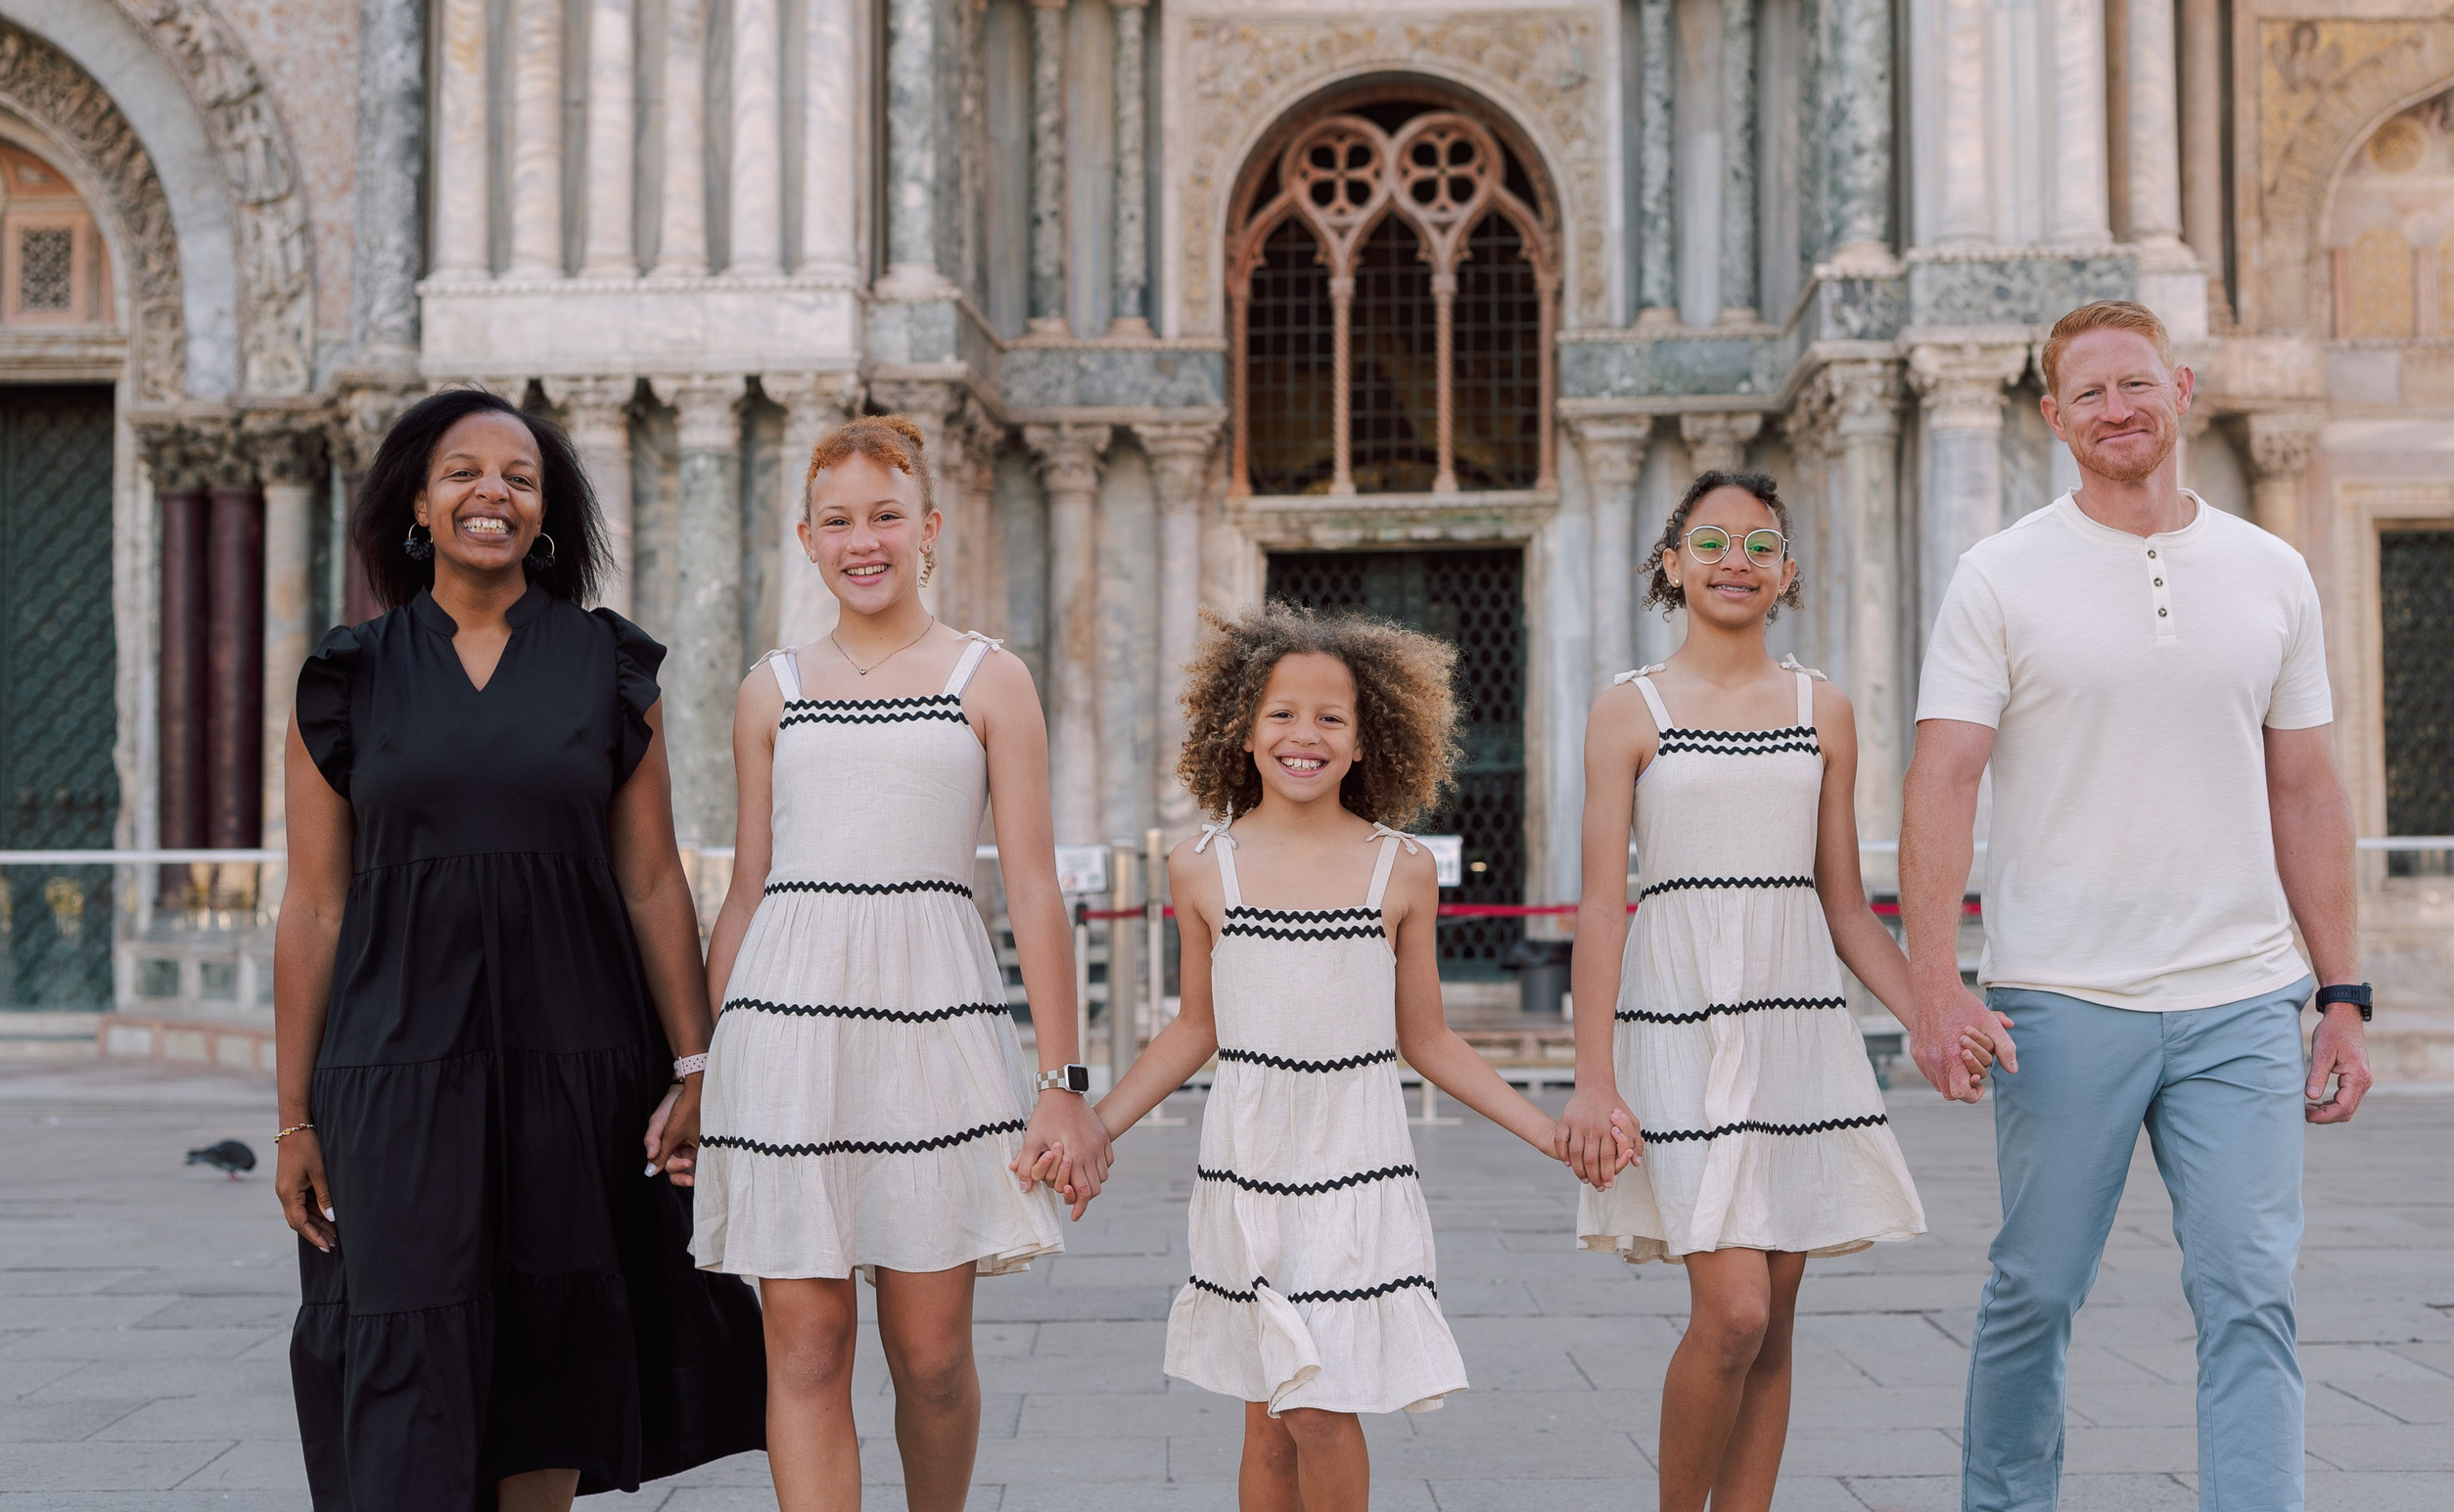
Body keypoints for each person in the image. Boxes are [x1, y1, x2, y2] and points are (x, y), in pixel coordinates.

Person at [1901, 298, 2372, 1512]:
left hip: (2243, 996)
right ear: (2054, 417)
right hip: (2060, 997)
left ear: (2183, 386)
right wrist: (1936, 981)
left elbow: (2307, 788)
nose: (2118, 408)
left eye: (2137, 383)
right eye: (2090, 393)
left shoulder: (2271, 570)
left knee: (2250, 1293)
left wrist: (2342, 991)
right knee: (2036, 1287)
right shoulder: (1999, 573)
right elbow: (1942, 774)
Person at [271, 389, 766, 1511]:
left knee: (552, 1347)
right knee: (404, 1349)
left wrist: (696, 1065)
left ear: (546, 512)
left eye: (520, 475)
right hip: (394, 1065)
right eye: (462, 470)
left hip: (576, 1057)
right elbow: (310, 907)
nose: (492, 490)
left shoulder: (606, 668)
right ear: (417, 499)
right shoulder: (347, 675)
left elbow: (651, 880)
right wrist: (294, 1115)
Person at [690, 415, 1111, 1511]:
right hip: (785, 1038)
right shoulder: (768, 687)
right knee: (810, 1347)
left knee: (929, 1356)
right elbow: (746, 889)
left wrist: (1062, 1085)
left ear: (928, 527)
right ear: (806, 537)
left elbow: (1029, 885)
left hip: (935, 1034)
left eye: (885, 514)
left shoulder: (989, 677)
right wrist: (701, 1064)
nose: (861, 538)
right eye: (837, 519)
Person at [1558, 469, 1978, 1512]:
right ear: (1671, 565)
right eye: (1709, 542)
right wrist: (1590, 1077)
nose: (1733, 560)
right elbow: (1602, 907)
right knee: (1733, 1309)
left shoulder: (1819, 706)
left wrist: (1936, 1007)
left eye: (1756, 544)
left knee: (1777, 1321)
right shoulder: (1627, 710)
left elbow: (1843, 905)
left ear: (1786, 571)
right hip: (1678, 1028)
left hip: (1798, 1031)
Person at [1086, 605, 1567, 1512]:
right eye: (1280, 712)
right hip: (1248, 1167)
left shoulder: (1401, 869)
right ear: (1242, 729)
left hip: (1355, 1169)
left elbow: (1427, 1037)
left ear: (1364, 741)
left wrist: (1546, 1130)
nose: (1303, 734)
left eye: (1330, 718)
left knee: (1318, 1409)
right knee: (1267, 1426)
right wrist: (1093, 1126)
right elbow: (1196, 1027)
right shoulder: (1202, 867)